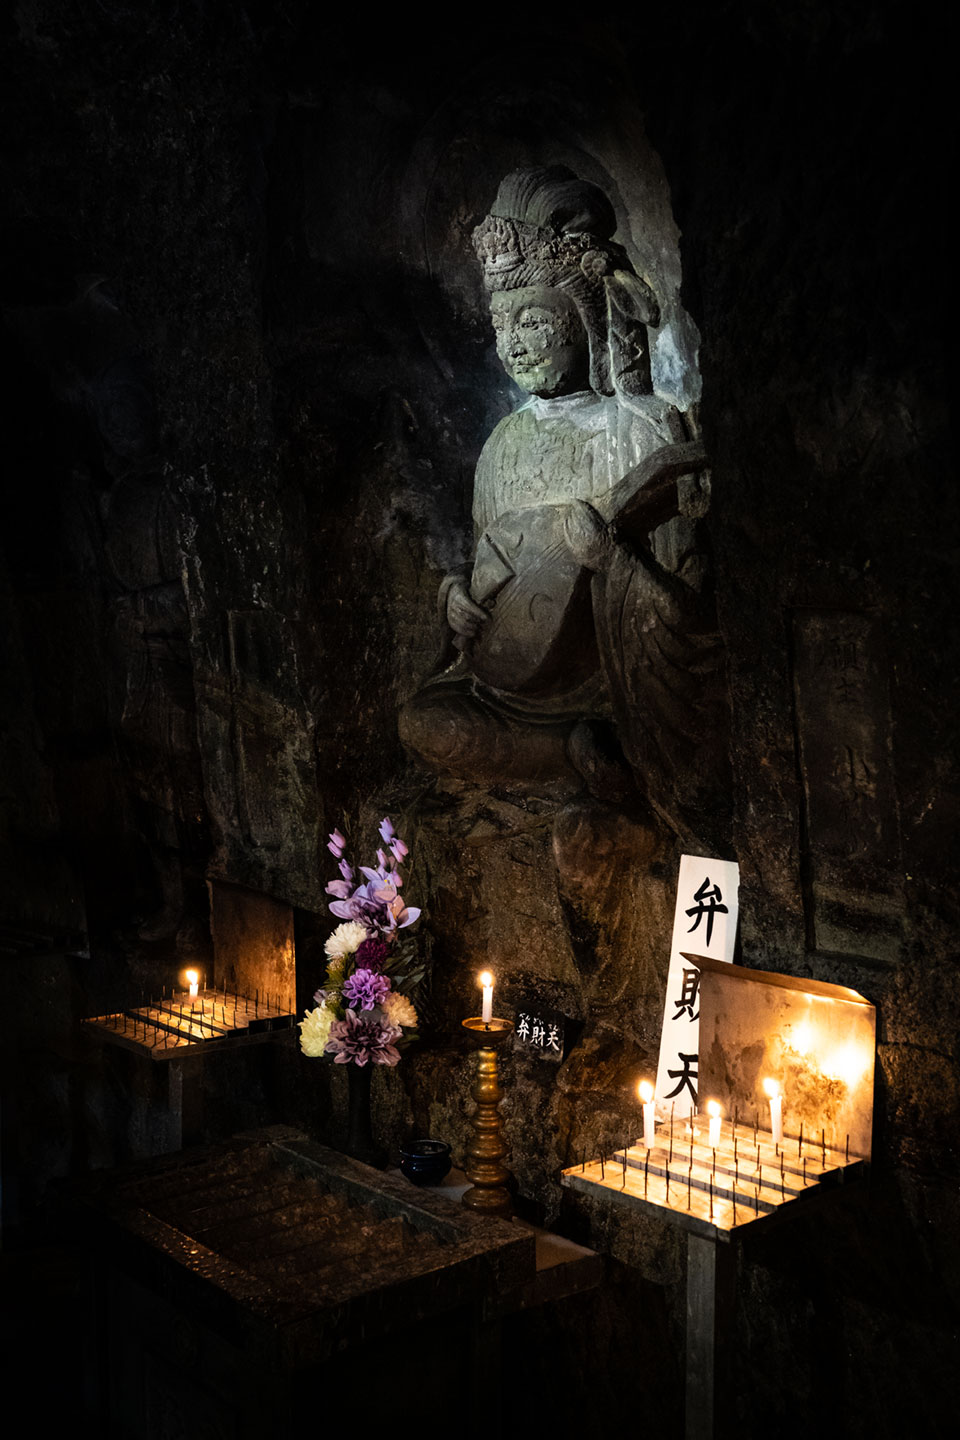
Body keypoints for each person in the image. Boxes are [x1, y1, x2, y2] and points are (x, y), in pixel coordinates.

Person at [400, 166, 729, 845]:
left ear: (582, 323)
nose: (515, 340)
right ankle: (582, 765)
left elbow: (693, 607)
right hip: (513, 694)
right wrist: (456, 600)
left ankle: (604, 758)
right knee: (423, 722)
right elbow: (495, 570)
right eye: (502, 324)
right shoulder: (502, 446)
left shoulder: (638, 427)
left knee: (621, 738)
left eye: (534, 320)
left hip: (612, 689)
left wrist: (611, 559)